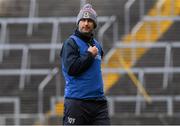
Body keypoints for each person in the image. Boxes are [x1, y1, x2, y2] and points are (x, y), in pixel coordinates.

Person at [60, 3, 110, 125]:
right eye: (83, 20)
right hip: (77, 102)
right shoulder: (71, 43)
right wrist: (88, 55)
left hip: (98, 103)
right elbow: (72, 69)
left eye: (89, 20)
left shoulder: (97, 45)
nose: (86, 23)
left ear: (94, 24)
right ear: (78, 23)